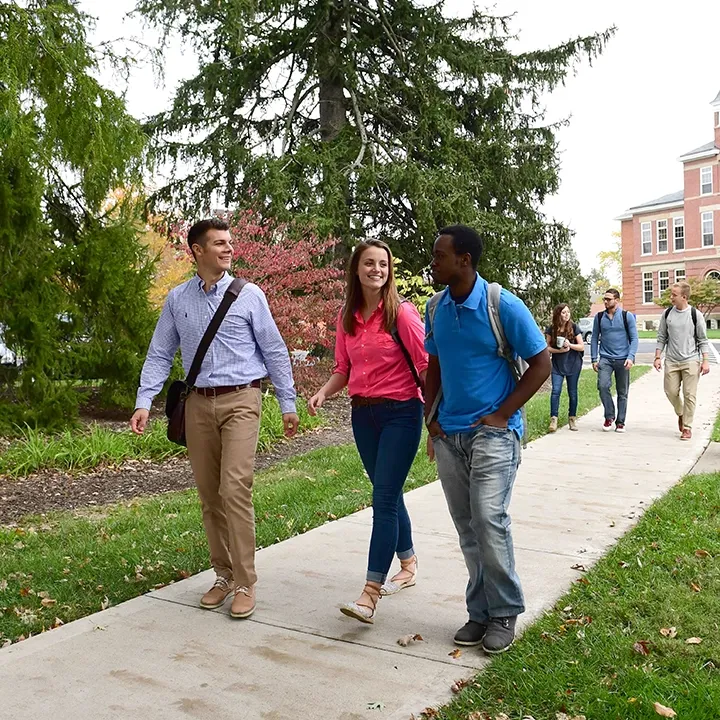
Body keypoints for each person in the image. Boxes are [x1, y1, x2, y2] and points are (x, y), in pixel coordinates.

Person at [130, 217, 299, 619]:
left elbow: (274, 350)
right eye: (219, 243)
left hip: (242, 399)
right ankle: (222, 575)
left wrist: (288, 402)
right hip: (197, 405)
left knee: (234, 488)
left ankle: (245, 582)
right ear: (198, 251)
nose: (228, 249)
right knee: (209, 495)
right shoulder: (177, 299)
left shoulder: (250, 295)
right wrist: (143, 400)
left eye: (230, 243)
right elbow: (159, 352)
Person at [424, 225, 550, 654]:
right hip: (450, 434)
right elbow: (434, 366)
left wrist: (502, 413)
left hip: (494, 433)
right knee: (467, 527)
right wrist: (431, 417)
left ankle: (505, 611)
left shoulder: (502, 304)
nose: (433, 262)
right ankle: (479, 612)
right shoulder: (435, 307)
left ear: (465, 260)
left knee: (488, 518)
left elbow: (541, 363)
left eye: (440, 255)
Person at [308, 240, 428, 624]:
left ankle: (369, 594)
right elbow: (343, 367)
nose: (377, 269)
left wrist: (438, 416)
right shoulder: (347, 316)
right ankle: (407, 564)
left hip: (402, 414)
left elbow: (425, 366)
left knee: (384, 499)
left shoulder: (402, 314)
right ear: (356, 269)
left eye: (383, 264)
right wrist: (324, 392)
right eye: (369, 263)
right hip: (363, 416)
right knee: (387, 492)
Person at [653, 281, 710, 440]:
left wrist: (705, 361)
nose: (671, 297)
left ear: (684, 297)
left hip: (691, 360)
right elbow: (661, 337)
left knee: (689, 394)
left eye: (674, 295)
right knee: (670, 391)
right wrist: (657, 357)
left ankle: (687, 427)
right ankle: (681, 413)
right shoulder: (667, 314)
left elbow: (703, 340)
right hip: (671, 360)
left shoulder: (695, 315)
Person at [590, 288, 638, 433]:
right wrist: (593, 358)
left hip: (623, 359)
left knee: (622, 392)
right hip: (605, 358)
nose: (605, 301)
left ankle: (620, 421)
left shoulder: (626, 316)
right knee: (603, 386)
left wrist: (630, 357)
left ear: (616, 300)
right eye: (604, 299)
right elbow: (594, 338)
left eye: (608, 299)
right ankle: (609, 416)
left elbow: (634, 338)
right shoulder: (599, 317)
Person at [545, 304, 584, 432]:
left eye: (568, 312)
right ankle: (553, 419)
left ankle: (572, 419)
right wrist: (560, 351)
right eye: (563, 312)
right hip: (557, 364)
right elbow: (547, 348)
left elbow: (581, 347)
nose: (566, 314)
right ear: (558, 314)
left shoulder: (574, 327)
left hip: (573, 363)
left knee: (572, 392)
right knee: (555, 391)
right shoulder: (551, 329)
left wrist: (570, 346)